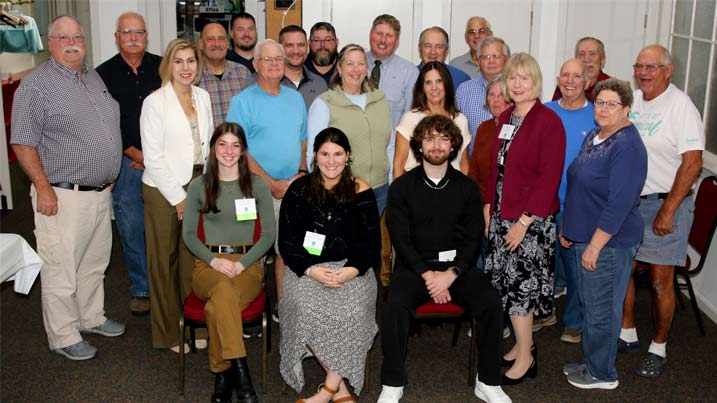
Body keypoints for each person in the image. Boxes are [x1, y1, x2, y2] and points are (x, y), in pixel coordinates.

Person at [11, 15, 125, 360]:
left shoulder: (91, 76)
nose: (72, 42)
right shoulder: (36, 85)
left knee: (93, 262)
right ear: (50, 42)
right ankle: (62, 336)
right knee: (61, 267)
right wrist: (42, 188)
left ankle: (90, 317)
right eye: (63, 37)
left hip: (100, 192)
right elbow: (22, 142)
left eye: (77, 36)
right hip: (62, 195)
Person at [379, 115, 510, 403]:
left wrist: (451, 273)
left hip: (456, 269)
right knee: (394, 305)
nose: (436, 145)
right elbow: (400, 239)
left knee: (490, 302)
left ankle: (488, 381)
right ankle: (392, 382)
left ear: (453, 146)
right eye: (429, 138)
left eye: (443, 138)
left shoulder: (466, 188)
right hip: (415, 269)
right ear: (418, 145)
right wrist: (428, 275)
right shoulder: (401, 187)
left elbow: (473, 238)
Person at [620, 45, 704, 378]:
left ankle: (659, 346)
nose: (643, 72)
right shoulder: (635, 100)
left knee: (659, 281)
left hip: (667, 202)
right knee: (623, 267)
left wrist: (668, 209)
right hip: (632, 203)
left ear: (667, 70)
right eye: (639, 66)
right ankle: (627, 330)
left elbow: (693, 161)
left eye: (651, 67)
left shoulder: (681, 107)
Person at [279, 128, 380, 403]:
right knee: (302, 305)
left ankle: (327, 391)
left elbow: (371, 244)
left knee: (354, 308)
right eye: (324, 153)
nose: (331, 160)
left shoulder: (362, 190)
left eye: (337, 154)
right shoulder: (298, 190)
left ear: (347, 156)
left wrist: (351, 271)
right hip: (308, 269)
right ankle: (340, 390)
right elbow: (286, 242)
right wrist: (311, 270)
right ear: (315, 156)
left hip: (352, 270)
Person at [483, 53, 565, 386]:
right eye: (512, 78)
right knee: (507, 284)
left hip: (529, 222)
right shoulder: (505, 117)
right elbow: (495, 169)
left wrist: (524, 222)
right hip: (502, 215)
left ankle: (528, 357)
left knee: (521, 289)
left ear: (536, 83)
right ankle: (521, 343)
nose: (517, 84)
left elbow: (550, 177)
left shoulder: (548, 121)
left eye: (524, 78)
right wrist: (488, 207)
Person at [561, 78, 648, 390]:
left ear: (626, 109)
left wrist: (595, 247)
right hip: (584, 234)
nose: (604, 109)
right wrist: (570, 230)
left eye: (612, 104)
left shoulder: (628, 146)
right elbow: (581, 185)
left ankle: (602, 373)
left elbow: (619, 204)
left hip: (610, 242)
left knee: (602, 310)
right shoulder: (597, 135)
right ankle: (592, 361)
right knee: (589, 304)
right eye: (600, 102)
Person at [182, 122, 274, 403]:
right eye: (222, 144)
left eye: (235, 145)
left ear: (244, 150)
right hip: (207, 266)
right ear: (212, 148)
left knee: (216, 306)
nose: (229, 151)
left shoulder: (257, 185)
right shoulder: (199, 185)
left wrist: (242, 263)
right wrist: (213, 260)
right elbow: (188, 234)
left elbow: (269, 235)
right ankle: (240, 369)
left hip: (248, 265)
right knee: (221, 290)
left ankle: (222, 373)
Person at [227, 39, 308, 323]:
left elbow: (302, 140)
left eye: (279, 59)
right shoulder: (242, 101)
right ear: (256, 64)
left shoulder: (295, 98)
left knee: (286, 250)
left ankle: (282, 309)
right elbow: (238, 149)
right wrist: (271, 182)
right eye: (268, 59)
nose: (274, 64)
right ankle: (249, 313)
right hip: (254, 190)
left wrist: (299, 172)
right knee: (252, 253)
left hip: (292, 188)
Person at [140, 38, 213, 352]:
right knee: (163, 263)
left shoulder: (203, 96)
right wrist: (178, 199)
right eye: (179, 61)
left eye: (191, 61)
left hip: (198, 185)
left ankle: (194, 325)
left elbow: (207, 147)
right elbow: (153, 157)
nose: (186, 68)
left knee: (193, 261)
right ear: (168, 65)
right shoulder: (155, 102)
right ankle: (169, 333)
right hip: (162, 190)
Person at [96, 11, 162, 316]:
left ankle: (167, 284)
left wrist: (154, 156)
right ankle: (142, 287)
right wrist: (133, 153)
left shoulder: (162, 67)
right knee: (132, 224)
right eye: (127, 32)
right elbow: (102, 122)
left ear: (146, 35)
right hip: (126, 162)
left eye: (139, 32)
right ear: (117, 37)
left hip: (162, 160)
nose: (134, 37)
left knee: (167, 225)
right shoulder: (102, 75)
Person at [544, 59, 596, 341]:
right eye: (565, 75)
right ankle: (545, 310)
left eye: (578, 76)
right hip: (545, 203)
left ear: (588, 82)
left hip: (579, 206)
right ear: (557, 78)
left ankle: (574, 320)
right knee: (546, 263)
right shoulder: (545, 111)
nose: (571, 81)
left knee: (576, 269)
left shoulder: (597, 116)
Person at [366, 13, 419, 284]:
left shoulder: (410, 72)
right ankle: (360, 269)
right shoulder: (353, 62)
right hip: (358, 153)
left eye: (389, 35)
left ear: (396, 41)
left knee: (390, 216)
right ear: (371, 34)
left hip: (391, 151)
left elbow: (411, 117)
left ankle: (387, 273)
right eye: (379, 33)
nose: (383, 40)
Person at [307, 44, 392, 212]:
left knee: (370, 238)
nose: (356, 69)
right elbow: (313, 152)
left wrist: (391, 182)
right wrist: (322, 190)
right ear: (339, 68)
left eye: (361, 63)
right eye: (350, 64)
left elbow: (390, 145)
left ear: (367, 69)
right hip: (342, 189)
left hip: (380, 189)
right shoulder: (324, 103)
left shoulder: (380, 100)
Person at [393, 61, 470, 178]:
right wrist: (398, 195)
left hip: (451, 190)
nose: (434, 87)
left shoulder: (460, 120)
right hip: (417, 189)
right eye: (428, 82)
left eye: (439, 81)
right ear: (422, 88)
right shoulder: (409, 119)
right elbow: (398, 165)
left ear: (447, 84)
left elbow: (463, 162)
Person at [456, 37, 510, 155]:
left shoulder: (516, 90)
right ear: (479, 62)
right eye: (485, 57)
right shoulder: (464, 90)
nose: (491, 61)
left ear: (507, 60)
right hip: (473, 165)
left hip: (511, 166)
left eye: (496, 56)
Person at [198, 21, 252, 127]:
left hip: (239, 142)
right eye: (210, 39)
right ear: (200, 44)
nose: (217, 44)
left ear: (227, 43)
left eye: (221, 38)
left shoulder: (243, 73)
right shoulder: (193, 77)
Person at [468, 77, 512, 197]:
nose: (496, 100)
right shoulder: (484, 128)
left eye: (501, 95)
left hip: (508, 200)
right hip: (481, 199)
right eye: (492, 95)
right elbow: (474, 169)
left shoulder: (519, 127)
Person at [279, 25, 328, 110]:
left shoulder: (320, 84)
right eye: (289, 45)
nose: (296, 51)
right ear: (279, 48)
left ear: (307, 47)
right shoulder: (267, 83)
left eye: (301, 45)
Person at [551, 37, 611, 102]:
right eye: (581, 54)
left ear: (602, 60)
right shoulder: (568, 84)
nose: (586, 59)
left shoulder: (611, 86)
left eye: (592, 54)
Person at [416, 27, 470, 92]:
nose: (433, 52)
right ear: (420, 49)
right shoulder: (411, 76)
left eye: (439, 47)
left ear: (446, 51)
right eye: (428, 46)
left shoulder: (461, 79)